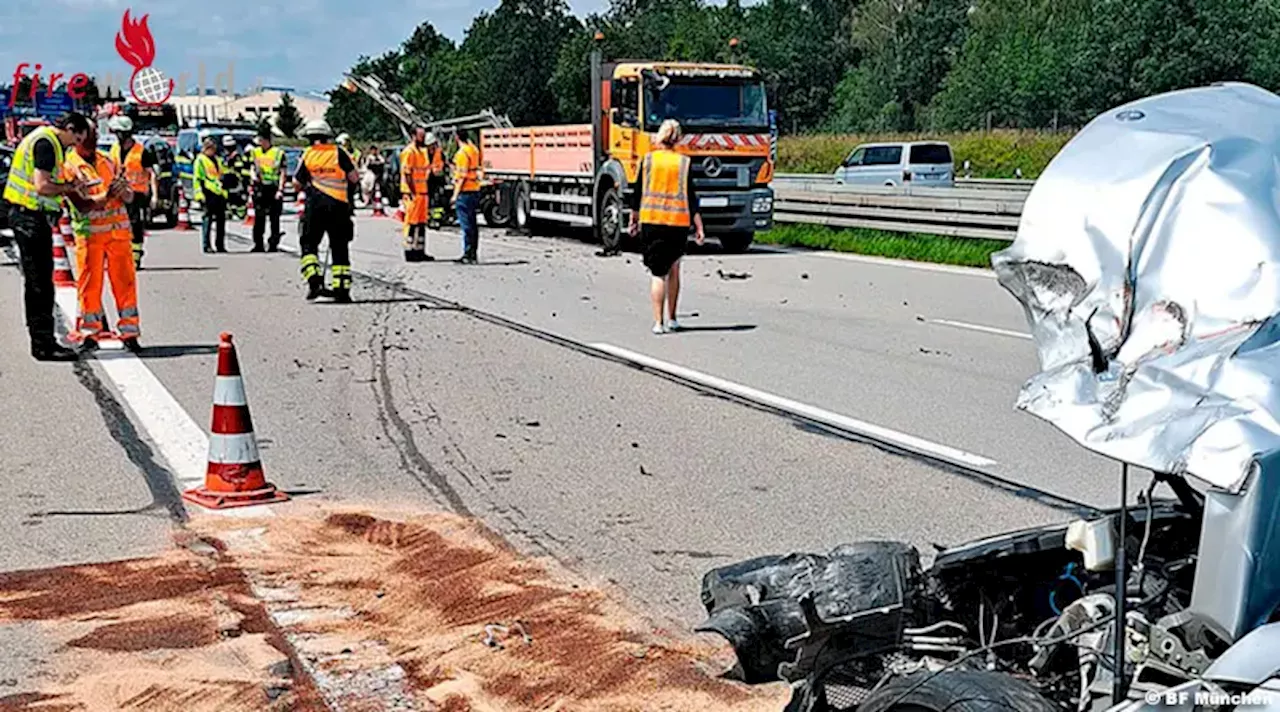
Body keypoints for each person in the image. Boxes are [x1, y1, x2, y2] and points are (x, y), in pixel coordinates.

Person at [3, 112, 92, 361]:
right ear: (70, 128)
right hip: (29, 218)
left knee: (39, 282)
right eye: (76, 139)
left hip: (29, 216)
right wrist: (71, 188)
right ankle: (43, 344)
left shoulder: (44, 140)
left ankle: (43, 341)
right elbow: (42, 186)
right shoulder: (47, 144)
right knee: (39, 284)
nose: (74, 145)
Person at [62, 123, 141, 352]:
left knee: (125, 284)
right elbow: (82, 204)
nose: (94, 138)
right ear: (78, 137)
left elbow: (128, 196)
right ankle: (89, 333)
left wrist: (123, 192)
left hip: (118, 234)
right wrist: (108, 196)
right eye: (90, 133)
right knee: (89, 287)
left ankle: (130, 333)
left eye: (95, 133)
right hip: (90, 237)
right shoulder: (70, 167)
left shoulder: (107, 160)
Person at [627, 119, 704, 335]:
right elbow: (691, 198)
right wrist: (699, 227)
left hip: (652, 221)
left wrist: (633, 220)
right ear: (678, 138)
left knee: (657, 274)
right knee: (674, 269)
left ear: (660, 136)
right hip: (677, 224)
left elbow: (637, 195)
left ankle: (658, 323)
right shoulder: (683, 163)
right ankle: (673, 319)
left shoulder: (649, 160)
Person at [294, 119, 358, 303]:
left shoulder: (307, 155)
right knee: (339, 246)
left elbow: (296, 183)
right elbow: (354, 177)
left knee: (309, 243)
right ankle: (342, 290)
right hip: (339, 205)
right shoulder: (339, 152)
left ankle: (314, 280)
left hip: (315, 205)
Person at [107, 116, 158, 270]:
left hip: (137, 194)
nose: (116, 135)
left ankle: (135, 256)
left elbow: (153, 174)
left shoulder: (142, 152)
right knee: (117, 226)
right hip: (118, 193)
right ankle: (120, 257)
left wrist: (155, 196)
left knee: (134, 225)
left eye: (117, 132)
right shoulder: (114, 149)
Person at [399, 127, 434, 262]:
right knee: (412, 224)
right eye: (421, 136)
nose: (423, 138)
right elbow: (407, 174)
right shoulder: (409, 152)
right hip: (413, 193)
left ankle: (420, 250)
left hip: (422, 192)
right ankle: (409, 251)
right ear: (413, 136)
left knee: (421, 223)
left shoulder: (422, 151)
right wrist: (413, 191)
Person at [249, 127, 286, 252]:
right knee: (259, 218)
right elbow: (252, 167)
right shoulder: (255, 152)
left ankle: (273, 244)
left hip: (273, 188)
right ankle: (258, 244)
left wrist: (280, 190)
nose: (259, 142)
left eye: (261, 140)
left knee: (274, 219)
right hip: (260, 187)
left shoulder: (278, 153)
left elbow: (282, 172)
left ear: (267, 140)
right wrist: (253, 177)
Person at [450, 128, 482, 264]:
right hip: (474, 189)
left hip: (465, 191)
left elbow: (461, 177)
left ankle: (468, 254)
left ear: (457, 138)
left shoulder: (461, 154)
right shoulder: (473, 150)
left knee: (466, 224)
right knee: (473, 224)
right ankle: (473, 253)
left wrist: (454, 195)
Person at [193, 136, 228, 253]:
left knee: (221, 220)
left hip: (219, 193)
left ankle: (220, 245)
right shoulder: (200, 160)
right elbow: (197, 179)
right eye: (212, 148)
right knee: (207, 220)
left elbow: (221, 175)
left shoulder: (217, 160)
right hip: (207, 193)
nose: (214, 150)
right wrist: (199, 194)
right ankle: (206, 245)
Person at [425, 133, 446, 228]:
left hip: (438, 180)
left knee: (437, 201)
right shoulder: (424, 153)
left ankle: (437, 219)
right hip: (428, 181)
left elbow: (443, 164)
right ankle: (429, 218)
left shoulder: (439, 152)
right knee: (429, 201)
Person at [337, 134, 362, 204]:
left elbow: (357, 160)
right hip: (342, 174)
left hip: (351, 173)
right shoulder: (340, 151)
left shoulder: (354, 152)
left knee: (350, 191)